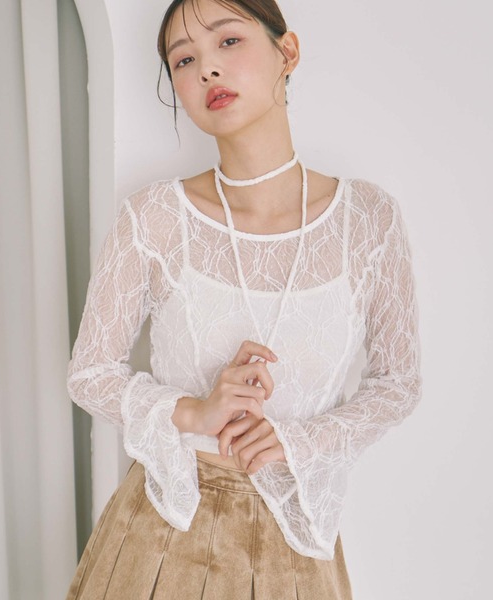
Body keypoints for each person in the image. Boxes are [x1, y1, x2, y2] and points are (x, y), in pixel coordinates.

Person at [65, 0, 422, 598]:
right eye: (184, 60)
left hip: (295, 547)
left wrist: (299, 442)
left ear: (288, 51)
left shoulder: (368, 219)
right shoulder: (152, 216)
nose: (207, 68)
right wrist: (193, 413)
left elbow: (398, 382)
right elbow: (89, 373)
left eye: (228, 41)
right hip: (160, 537)